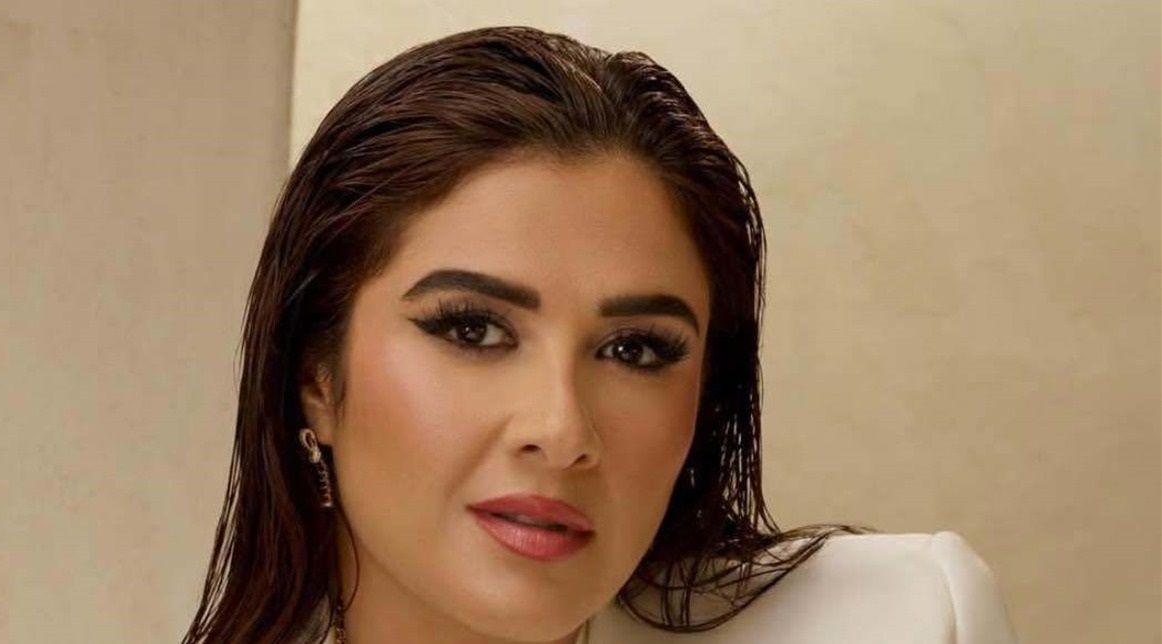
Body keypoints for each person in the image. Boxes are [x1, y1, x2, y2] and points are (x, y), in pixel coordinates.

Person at [181, 25, 1019, 644]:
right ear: (316, 377)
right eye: (473, 329)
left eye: (635, 350)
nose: (562, 431)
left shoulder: (902, 623)